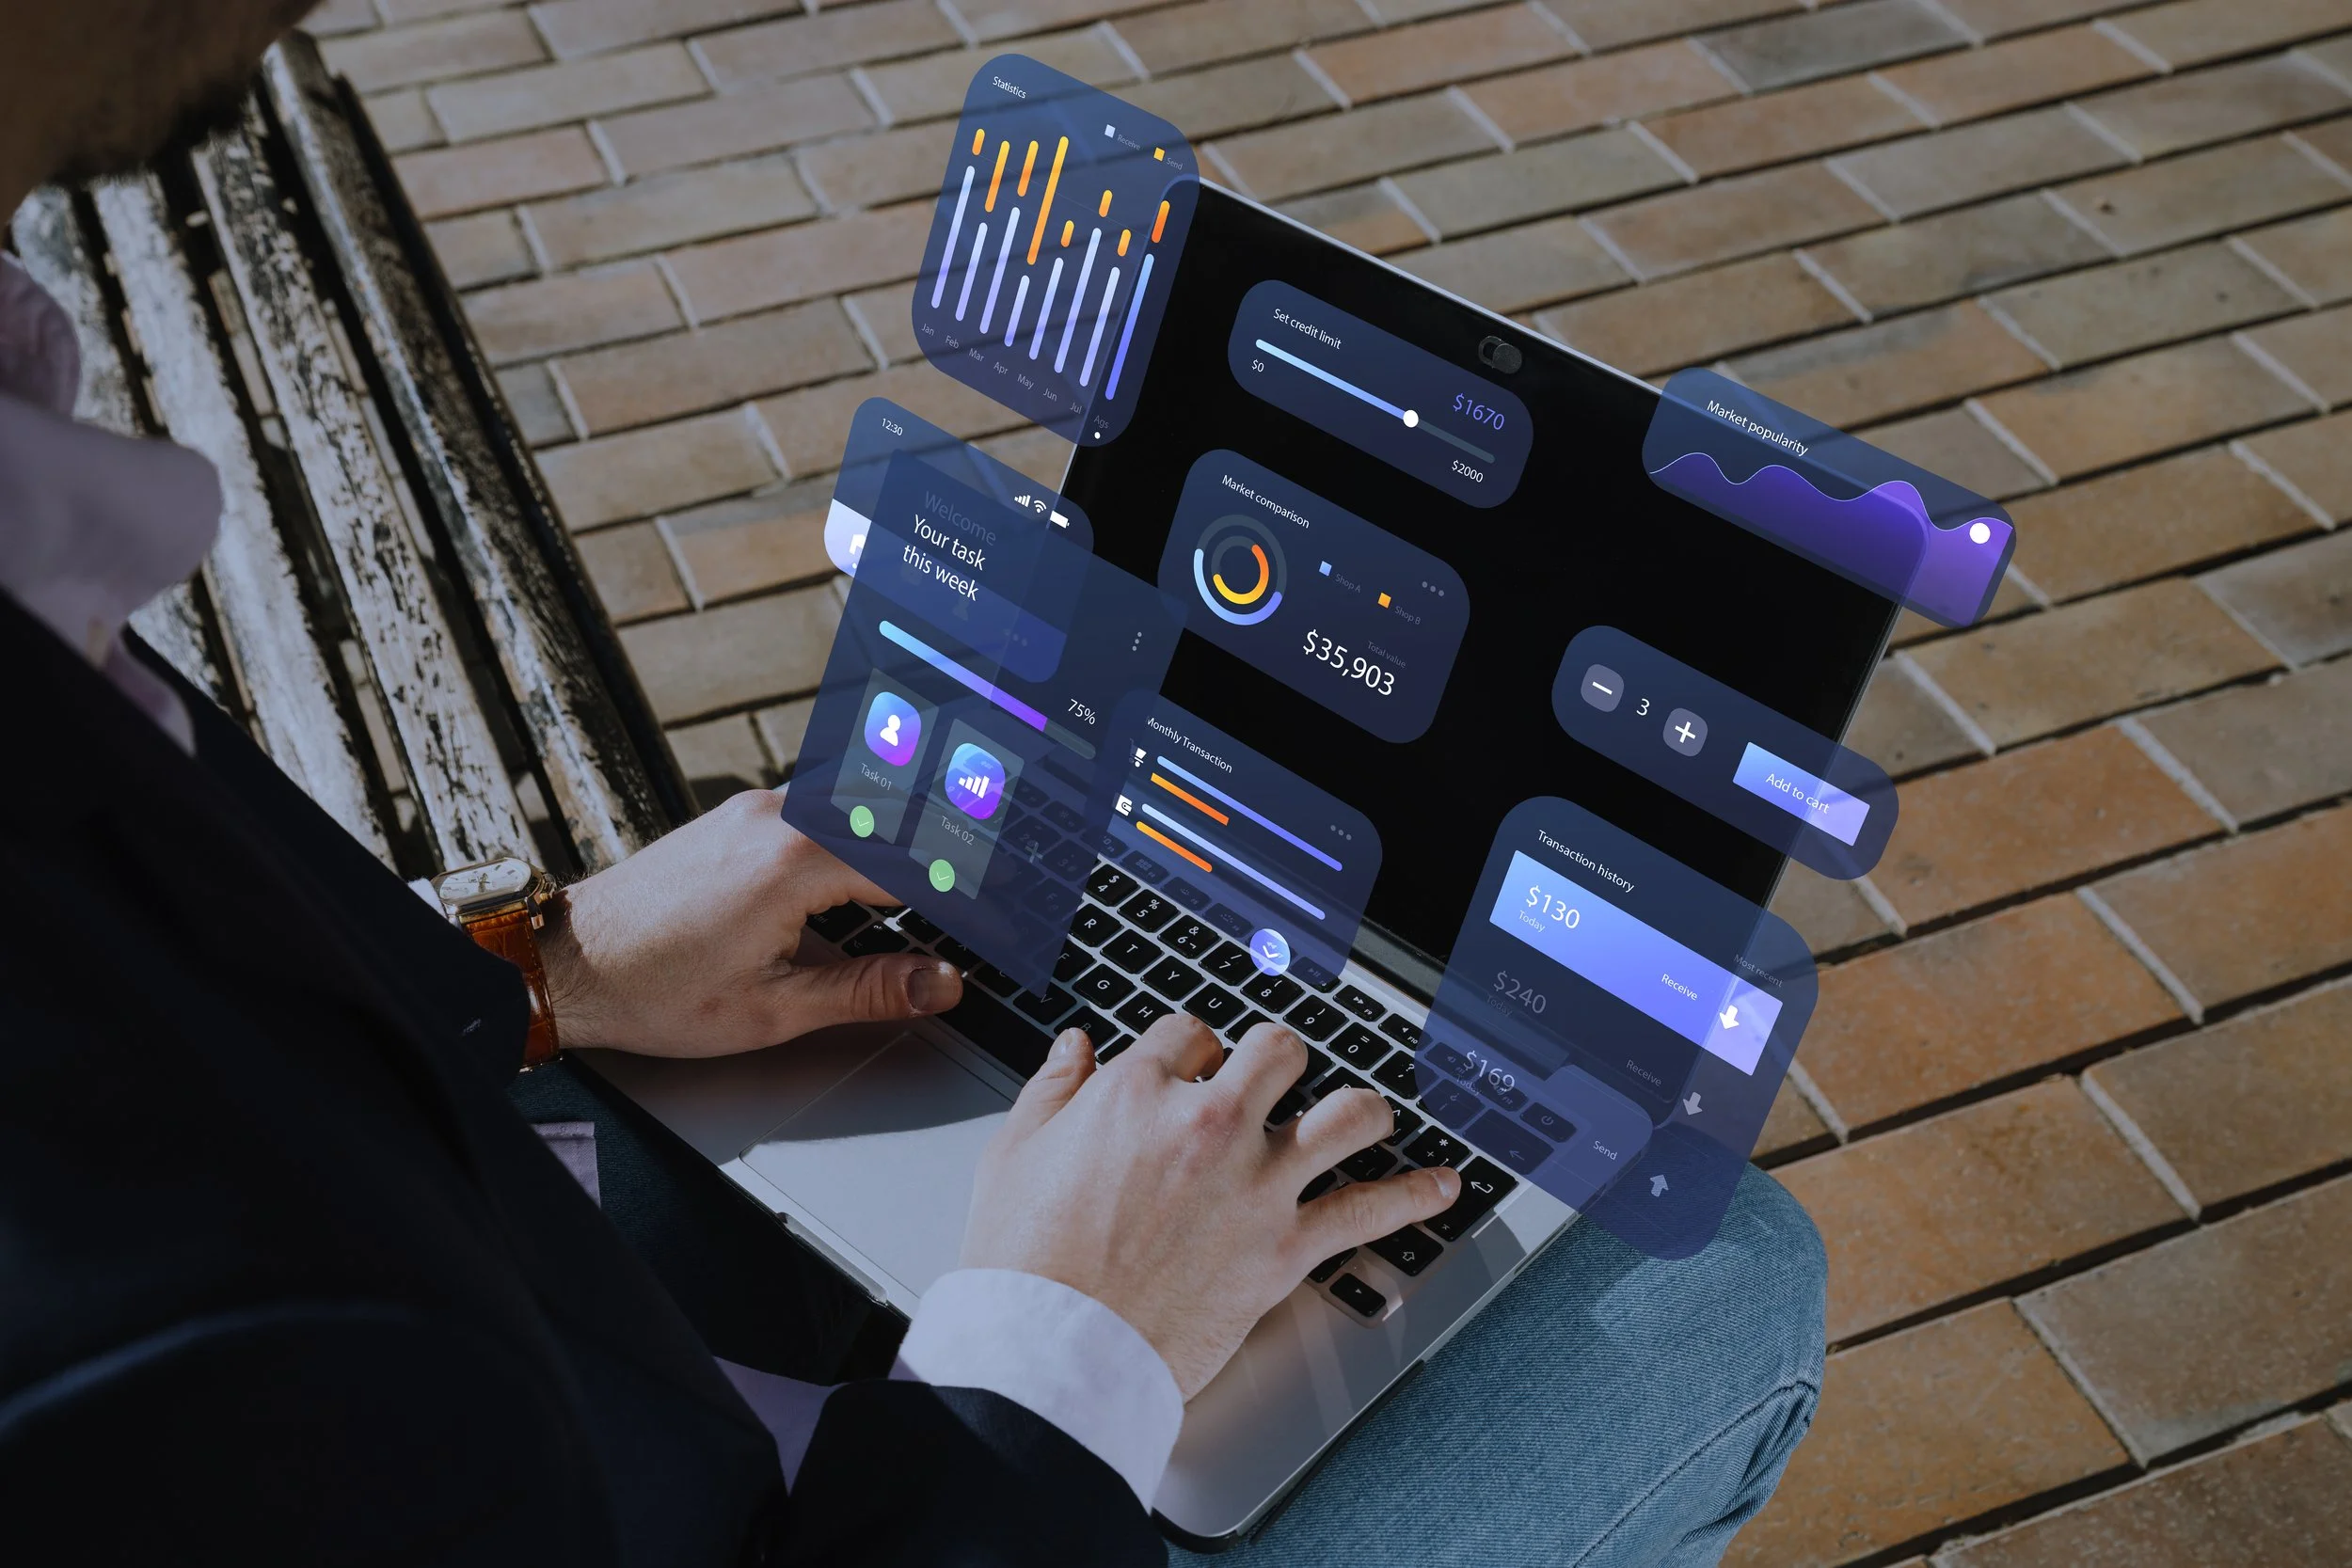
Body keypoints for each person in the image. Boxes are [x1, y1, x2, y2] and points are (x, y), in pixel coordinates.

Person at [0, 5, 1827, 1563]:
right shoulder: (138, 1339)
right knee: (1718, 1284)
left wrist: (535, 963)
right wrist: (1070, 1338)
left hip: (527, 1277)